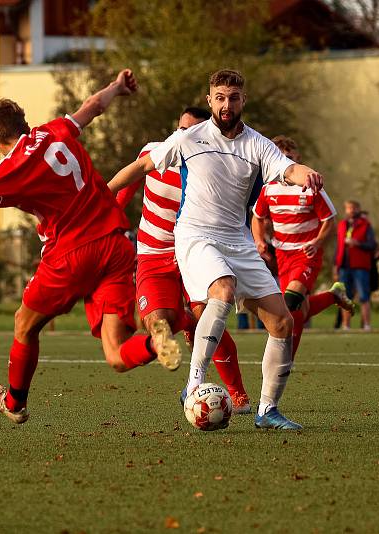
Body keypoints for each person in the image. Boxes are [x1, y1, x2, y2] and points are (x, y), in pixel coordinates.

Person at [0, 69, 183, 424]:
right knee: (116, 357)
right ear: (25, 121)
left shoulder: (11, 166)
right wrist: (117, 87)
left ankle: (14, 403)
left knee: (24, 324)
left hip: (71, 254)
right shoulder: (54, 130)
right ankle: (155, 343)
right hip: (116, 246)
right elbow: (92, 106)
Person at [110, 69, 325, 430]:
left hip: (237, 240)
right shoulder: (189, 138)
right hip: (196, 235)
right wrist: (101, 194)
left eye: (234, 98)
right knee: (221, 292)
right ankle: (194, 384)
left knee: (282, 322)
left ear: (244, 100)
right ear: (210, 100)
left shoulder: (257, 144)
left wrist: (309, 175)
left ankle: (267, 411)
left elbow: (288, 169)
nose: (227, 105)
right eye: (220, 98)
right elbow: (142, 166)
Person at [113, 106, 252, 414]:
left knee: (209, 317)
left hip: (196, 253)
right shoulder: (153, 152)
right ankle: (174, 326)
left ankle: (238, 394)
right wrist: (110, 221)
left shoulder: (218, 171)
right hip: (153, 255)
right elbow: (125, 190)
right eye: (181, 130)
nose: (184, 137)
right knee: (157, 320)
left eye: (192, 132)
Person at [252, 135, 355, 359]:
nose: (286, 158)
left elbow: (329, 220)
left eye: (290, 154)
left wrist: (317, 242)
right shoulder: (268, 188)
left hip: (307, 254)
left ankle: (286, 359)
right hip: (282, 255)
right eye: (281, 154)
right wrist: (259, 241)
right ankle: (334, 295)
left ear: (297, 158)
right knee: (300, 309)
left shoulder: (310, 187)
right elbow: (257, 218)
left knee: (290, 304)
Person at [334, 200, 376, 330]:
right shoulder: (341, 225)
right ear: (346, 210)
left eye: (354, 208)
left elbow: (372, 245)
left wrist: (357, 243)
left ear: (358, 209)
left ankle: (367, 325)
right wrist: (335, 265)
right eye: (348, 208)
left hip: (360, 266)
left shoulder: (366, 225)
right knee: (344, 297)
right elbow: (338, 247)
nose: (351, 210)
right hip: (344, 267)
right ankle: (346, 326)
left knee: (364, 296)